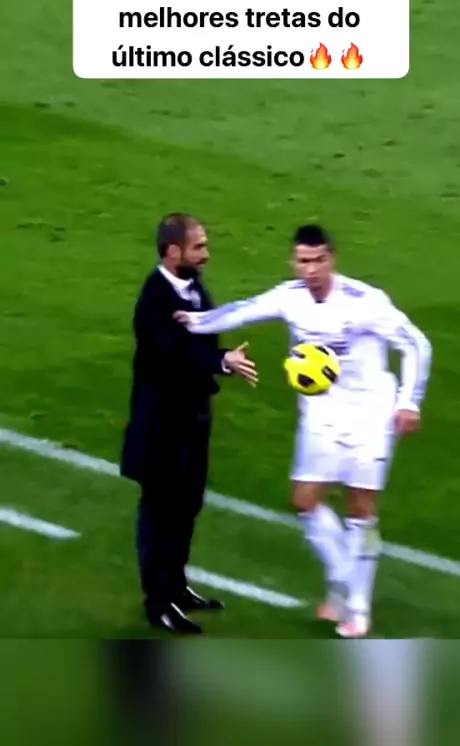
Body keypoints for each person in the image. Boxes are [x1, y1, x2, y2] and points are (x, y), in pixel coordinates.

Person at [175, 224, 432, 638]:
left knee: (361, 510)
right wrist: (194, 321)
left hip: (370, 414)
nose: (310, 269)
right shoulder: (290, 297)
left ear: (332, 259)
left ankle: (357, 608)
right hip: (320, 414)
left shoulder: (365, 302)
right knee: (304, 500)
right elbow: (243, 310)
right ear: (293, 261)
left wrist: (409, 401)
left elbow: (416, 344)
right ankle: (345, 579)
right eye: (303, 261)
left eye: (318, 260)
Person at [120, 213, 258, 634]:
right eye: (198, 246)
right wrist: (221, 361)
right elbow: (173, 355)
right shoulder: (154, 300)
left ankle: (177, 589)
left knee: (186, 509)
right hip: (160, 429)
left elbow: (202, 337)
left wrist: (221, 358)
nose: (206, 254)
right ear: (172, 251)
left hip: (192, 421)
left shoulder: (195, 288)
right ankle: (158, 603)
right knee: (160, 515)